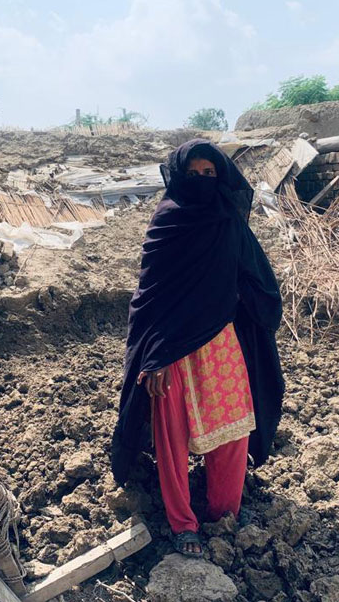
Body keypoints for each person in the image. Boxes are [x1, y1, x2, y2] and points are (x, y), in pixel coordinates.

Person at [111, 139, 284, 557]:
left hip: (220, 342)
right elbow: (151, 296)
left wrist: (249, 308)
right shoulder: (167, 223)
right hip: (171, 351)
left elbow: (256, 278)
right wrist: (153, 357)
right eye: (195, 174)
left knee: (233, 429)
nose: (204, 181)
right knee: (172, 439)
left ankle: (223, 512)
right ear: (178, 176)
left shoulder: (228, 222)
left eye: (211, 174)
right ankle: (182, 523)